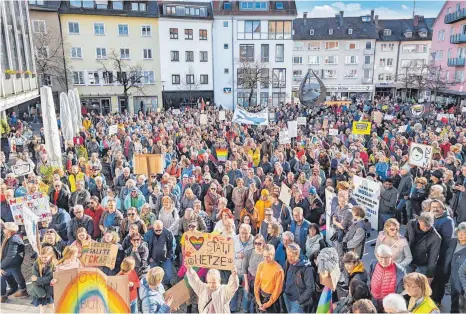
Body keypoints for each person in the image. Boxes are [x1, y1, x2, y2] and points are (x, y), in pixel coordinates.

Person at [430, 199, 455, 304]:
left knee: (439, 278)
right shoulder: (433, 218)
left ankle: (437, 300)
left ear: (443, 208)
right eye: (433, 207)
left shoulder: (448, 221)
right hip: (433, 254)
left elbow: (446, 241)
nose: (435, 209)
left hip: (441, 255)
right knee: (433, 278)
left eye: (437, 207)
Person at [369, 244, 406, 312]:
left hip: (388, 304)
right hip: (374, 299)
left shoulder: (400, 271)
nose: (384, 261)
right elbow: (370, 279)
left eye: (386, 257)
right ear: (377, 256)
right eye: (381, 257)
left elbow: (401, 292)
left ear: (391, 256)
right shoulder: (373, 264)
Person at [405, 212, 441, 279]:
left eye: (429, 226)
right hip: (409, 259)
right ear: (419, 221)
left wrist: (430, 275)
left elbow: (433, 256)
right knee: (406, 281)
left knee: (422, 284)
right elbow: (405, 240)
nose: (426, 228)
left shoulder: (436, 237)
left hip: (423, 262)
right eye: (424, 225)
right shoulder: (410, 224)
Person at [283, 242, 315, 313]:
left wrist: (299, 301)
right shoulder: (287, 263)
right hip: (287, 297)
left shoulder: (306, 268)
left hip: (298, 302)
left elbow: (310, 288)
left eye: (292, 256)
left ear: (298, 255)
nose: (290, 258)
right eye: (288, 255)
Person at [0, 222, 28, 302]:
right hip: (12, 262)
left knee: (2, 276)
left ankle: (3, 296)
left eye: (4, 228)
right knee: (16, 275)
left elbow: (10, 256)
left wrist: (1, 266)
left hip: (13, 262)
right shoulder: (9, 237)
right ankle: (21, 290)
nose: (3, 229)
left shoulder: (14, 239)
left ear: (9, 230)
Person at [254, 244, 284, 313]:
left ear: (273, 255)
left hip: (271, 301)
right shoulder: (261, 265)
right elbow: (257, 283)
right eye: (264, 256)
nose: (266, 259)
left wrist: (267, 305)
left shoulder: (279, 270)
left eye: (268, 256)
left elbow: (277, 291)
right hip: (260, 298)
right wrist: (258, 301)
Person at [144, 220, 174, 287]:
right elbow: (145, 247)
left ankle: (167, 283)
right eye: (156, 230)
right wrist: (149, 258)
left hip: (166, 257)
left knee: (168, 274)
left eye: (160, 230)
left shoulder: (168, 233)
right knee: (153, 274)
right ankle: (155, 285)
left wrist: (170, 255)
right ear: (153, 228)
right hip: (153, 258)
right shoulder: (148, 234)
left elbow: (172, 245)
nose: (158, 232)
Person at [231, 223, 254, 313]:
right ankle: (233, 309)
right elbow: (228, 253)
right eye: (241, 233)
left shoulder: (254, 241)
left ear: (250, 232)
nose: (243, 235)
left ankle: (245, 310)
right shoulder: (234, 239)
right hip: (236, 270)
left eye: (246, 233)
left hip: (247, 273)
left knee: (246, 292)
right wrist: (237, 255)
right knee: (234, 291)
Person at [444, 222, 466, 313]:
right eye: (459, 232)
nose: (461, 235)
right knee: (454, 298)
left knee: (462, 302)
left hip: (463, 278)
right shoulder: (453, 241)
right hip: (452, 276)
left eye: (464, 233)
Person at [242, 233, 265, 313]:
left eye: (259, 243)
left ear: (263, 244)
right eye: (255, 243)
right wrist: (246, 284)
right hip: (249, 278)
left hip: (260, 282)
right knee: (246, 299)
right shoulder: (249, 252)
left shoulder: (265, 254)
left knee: (255, 302)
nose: (257, 245)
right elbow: (244, 268)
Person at [30, 246, 56, 314]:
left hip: (50, 290)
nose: (44, 259)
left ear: (51, 256)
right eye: (42, 257)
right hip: (40, 290)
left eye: (46, 257)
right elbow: (34, 281)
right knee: (42, 309)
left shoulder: (54, 264)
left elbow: (51, 277)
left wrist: (38, 279)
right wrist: (41, 293)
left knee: (52, 307)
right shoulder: (36, 264)